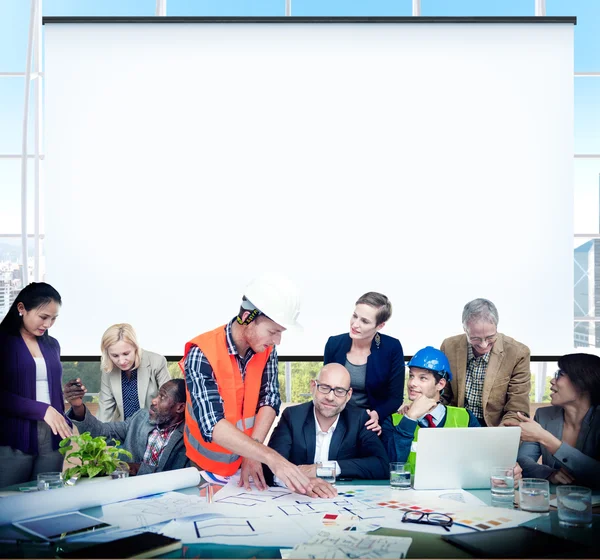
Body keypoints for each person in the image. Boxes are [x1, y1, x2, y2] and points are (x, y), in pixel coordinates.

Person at [181, 274, 312, 494]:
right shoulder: (202, 353)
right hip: (204, 470)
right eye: (273, 331)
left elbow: (269, 399)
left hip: (247, 464)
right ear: (247, 317)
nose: (277, 341)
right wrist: (270, 457)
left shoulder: (267, 349)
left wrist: (253, 453)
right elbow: (211, 425)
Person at [267, 364, 389, 497]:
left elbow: (381, 466)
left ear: (348, 395)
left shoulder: (360, 419)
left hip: (343, 500)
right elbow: (270, 467)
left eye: (340, 391)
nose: (330, 397)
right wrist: (303, 482)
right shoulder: (292, 416)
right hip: (298, 498)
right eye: (324, 388)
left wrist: (321, 469)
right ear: (313, 386)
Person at [0, 282, 72, 487]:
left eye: (54, 318)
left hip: (52, 437)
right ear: (21, 309)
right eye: (43, 317)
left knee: (46, 499)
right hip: (13, 436)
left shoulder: (52, 345)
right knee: (9, 501)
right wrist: (42, 410)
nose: (48, 324)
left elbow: (52, 389)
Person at [323, 292, 404, 449]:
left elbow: (395, 398)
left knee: (376, 460)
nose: (355, 324)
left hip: (372, 420)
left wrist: (377, 415)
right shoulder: (334, 344)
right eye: (355, 316)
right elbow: (326, 388)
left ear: (380, 326)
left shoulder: (392, 348)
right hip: (337, 417)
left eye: (365, 321)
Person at [509, 353, 600, 489]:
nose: (552, 381)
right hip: (553, 501)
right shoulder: (543, 415)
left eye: (560, 374)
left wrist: (545, 438)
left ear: (583, 382)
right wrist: (548, 474)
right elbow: (523, 460)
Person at [63, 378, 189, 475]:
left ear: (180, 407)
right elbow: (100, 432)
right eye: (157, 395)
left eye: (162, 397)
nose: (154, 400)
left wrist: (135, 468)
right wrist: (77, 407)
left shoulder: (189, 437)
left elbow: (178, 474)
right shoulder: (140, 418)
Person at [440, 298, 531, 426]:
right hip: (457, 425)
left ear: (497, 327)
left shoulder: (518, 353)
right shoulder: (449, 346)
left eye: (490, 337)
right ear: (465, 330)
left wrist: (500, 434)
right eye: (475, 338)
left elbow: (517, 407)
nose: (483, 345)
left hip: (496, 427)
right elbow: (442, 394)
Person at [388, 347, 480, 468]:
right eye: (411, 376)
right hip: (407, 486)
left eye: (422, 378)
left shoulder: (466, 418)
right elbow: (391, 465)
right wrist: (410, 419)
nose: (411, 383)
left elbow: (481, 459)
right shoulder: (393, 421)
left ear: (440, 384)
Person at [98, 323, 171, 422]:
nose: (122, 361)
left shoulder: (157, 362)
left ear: (136, 347)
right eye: (115, 356)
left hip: (153, 427)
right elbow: (104, 410)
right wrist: (98, 434)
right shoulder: (108, 369)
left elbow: (169, 401)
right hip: (123, 429)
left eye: (126, 354)